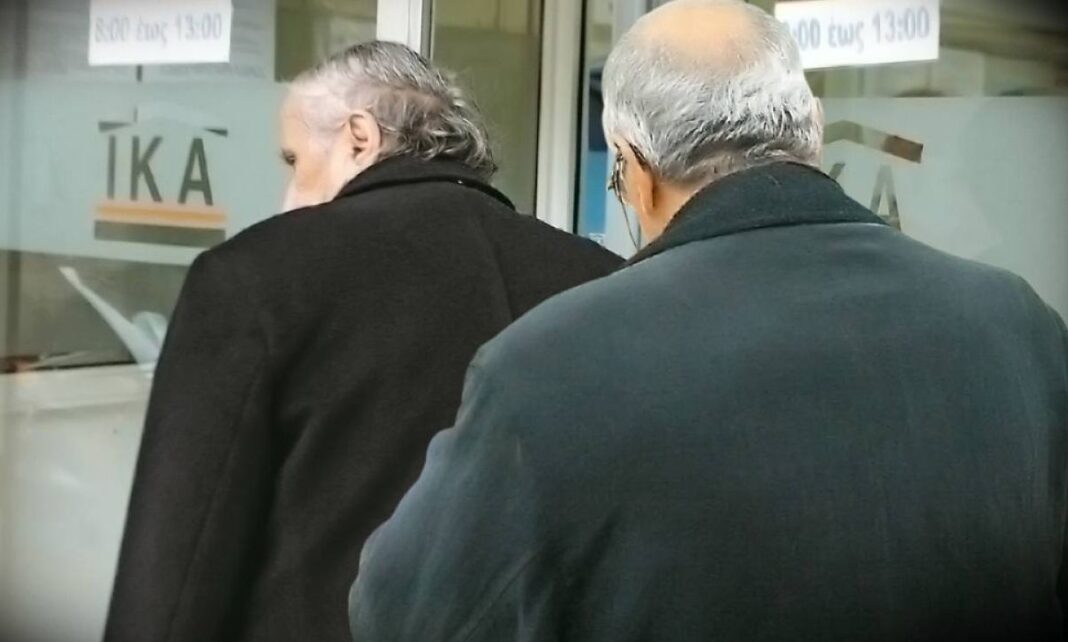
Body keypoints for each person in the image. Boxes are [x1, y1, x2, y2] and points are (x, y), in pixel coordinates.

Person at [348, 2, 1068, 640]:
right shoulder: (1017, 325)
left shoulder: (551, 363)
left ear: (634, 167)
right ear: (813, 132)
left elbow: (408, 613)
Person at [103, 41, 620, 642]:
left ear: (359, 137)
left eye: (294, 160)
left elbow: (180, 563)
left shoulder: (256, 275)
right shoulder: (598, 281)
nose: (287, 195)